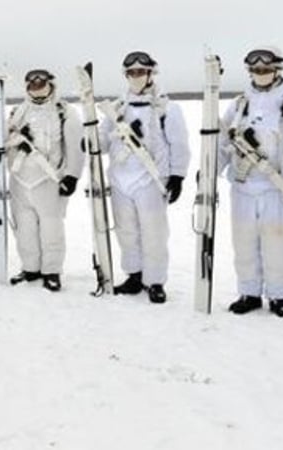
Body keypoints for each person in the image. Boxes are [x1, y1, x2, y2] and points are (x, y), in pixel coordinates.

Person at [219, 46, 283, 320]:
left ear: (277, 68)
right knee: (244, 243)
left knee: (278, 244)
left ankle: (279, 296)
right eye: (255, 67)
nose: (260, 71)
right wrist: (210, 170)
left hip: (278, 188)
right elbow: (223, 142)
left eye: (266, 67)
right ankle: (248, 293)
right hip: (242, 187)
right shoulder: (240, 104)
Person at [99, 51, 189, 303]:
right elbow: (103, 140)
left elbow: (179, 144)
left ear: (151, 74)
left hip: (151, 180)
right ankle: (134, 275)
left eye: (141, 72)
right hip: (120, 181)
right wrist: (90, 141)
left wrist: (178, 175)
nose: (136, 77)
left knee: (154, 233)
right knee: (126, 231)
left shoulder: (167, 109)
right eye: (132, 73)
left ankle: (156, 280)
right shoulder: (117, 108)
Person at [0, 69, 84, 291]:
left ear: (50, 84)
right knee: (23, 228)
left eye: (41, 82)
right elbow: (5, 139)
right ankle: (30, 268)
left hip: (48, 180)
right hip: (19, 180)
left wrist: (73, 175)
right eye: (32, 83)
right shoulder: (18, 112)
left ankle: (52, 270)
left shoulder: (64, 111)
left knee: (51, 228)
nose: (37, 86)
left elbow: (75, 146)